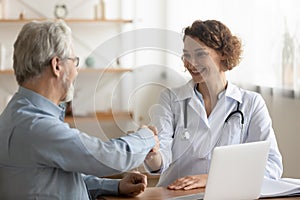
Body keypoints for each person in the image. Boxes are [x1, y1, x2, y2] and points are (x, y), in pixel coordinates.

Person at [0, 20, 159, 199]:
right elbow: (107, 156)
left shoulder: (17, 113)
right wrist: (146, 137)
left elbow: (56, 179)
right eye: (74, 62)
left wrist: (115, 186)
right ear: (57, 65)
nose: (76, 72)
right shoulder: (35, 125)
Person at [144, 19, 283, 190]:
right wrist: (152, 153)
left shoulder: (251, 103)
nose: (191, 63)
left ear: (224, 53)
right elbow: (160, 162)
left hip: (227, 193)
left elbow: (272, 165)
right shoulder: (171, 99)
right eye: (187, 55)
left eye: (200, 54)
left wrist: (212, 179)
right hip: (176, 194)